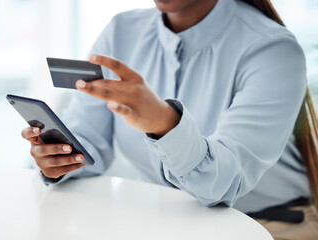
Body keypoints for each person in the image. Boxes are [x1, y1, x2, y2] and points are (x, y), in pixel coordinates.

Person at [21, 0, 318, 238]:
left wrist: (165, 124)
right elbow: (89, 142)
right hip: (171, 225)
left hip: (273, 227)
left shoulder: (273, 49)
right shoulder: (121, 31)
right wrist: (60, 158)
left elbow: (225, 185)